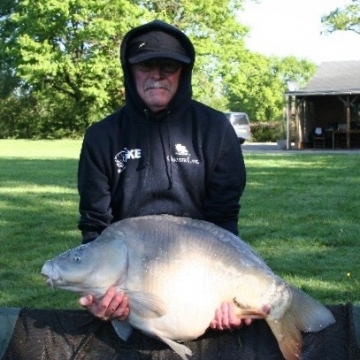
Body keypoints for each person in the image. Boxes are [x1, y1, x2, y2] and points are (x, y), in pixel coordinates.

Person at [77, 20, 249, 331]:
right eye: (145, 65)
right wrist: (99, 291)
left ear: (184, 72)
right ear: (130, 72)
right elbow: (95, 227)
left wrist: (227, 295)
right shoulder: (101, 137)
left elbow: (224, 221)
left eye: (168, 66)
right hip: (129, 277)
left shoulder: (216, 130)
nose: (157, 75)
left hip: (198, 272)